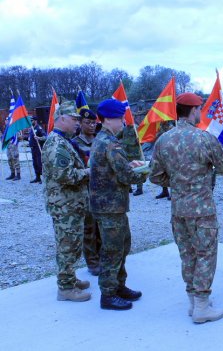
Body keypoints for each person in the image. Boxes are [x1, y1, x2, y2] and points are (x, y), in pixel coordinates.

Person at [149, 92, 223, 324]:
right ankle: (202, 305)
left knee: (187, 254)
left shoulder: (163, 140)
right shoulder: (204, 138)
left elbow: (154, 176)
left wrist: (176, 181)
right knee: (205, 254)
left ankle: (193, 301)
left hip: (178, 209)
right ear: (193, 111)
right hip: (202, 209)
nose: (200, 112)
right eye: (199, 109)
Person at [89, 99, 147, 311]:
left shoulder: (102, 140)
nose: (123, 122)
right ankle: (108, 294)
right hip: (110, 206)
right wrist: (145, 171)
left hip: (109, 206)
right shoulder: (111, 143)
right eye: (120, 118)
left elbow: (113, 168)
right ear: (108, 119)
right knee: (113, 250)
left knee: (122, 245)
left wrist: (129, 164)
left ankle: (119, 286)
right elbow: (125, 175)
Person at [42, 101, 91, 302]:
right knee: (67, 245)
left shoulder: (63, 141)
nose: (77, 124)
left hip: (71, 204)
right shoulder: (56, 144)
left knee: (73, 244)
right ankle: (65, 287)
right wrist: (90, 172)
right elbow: (66, 176)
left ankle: (70, 277)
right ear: (61, 119)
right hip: (65, 205)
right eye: (74, 119)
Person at [73, 108, 101, 276]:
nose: (91, 126)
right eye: (87, 123)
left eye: (93, 122)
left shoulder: (99, 141)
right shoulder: (74, 143)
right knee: (89, 228)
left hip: (102, 190)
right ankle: (92, 261)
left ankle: (102, 256)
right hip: (85, 190)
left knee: (102, 226)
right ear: (80, 123)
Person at [119, 123, 144, 196]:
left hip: (135, 153)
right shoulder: (124, 128)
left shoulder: (136, 128)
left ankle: (139, 188)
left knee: (138, 170)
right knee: (127, 169)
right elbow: (117, 136)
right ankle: (129, 187)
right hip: (126, 153)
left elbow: (141, 140)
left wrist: (138, 141)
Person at [29, 116, 46, 183]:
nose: (30, 122)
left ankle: (44, 178)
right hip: (33, 149)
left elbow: (45, 137)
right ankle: (38, 178)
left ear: (35, 121)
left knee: (40, 163)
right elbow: (31, 138)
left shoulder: (39, 128)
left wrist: (39, 138)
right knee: (35, 163)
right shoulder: (32, 128)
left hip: (38, 149)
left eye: (32, 120)